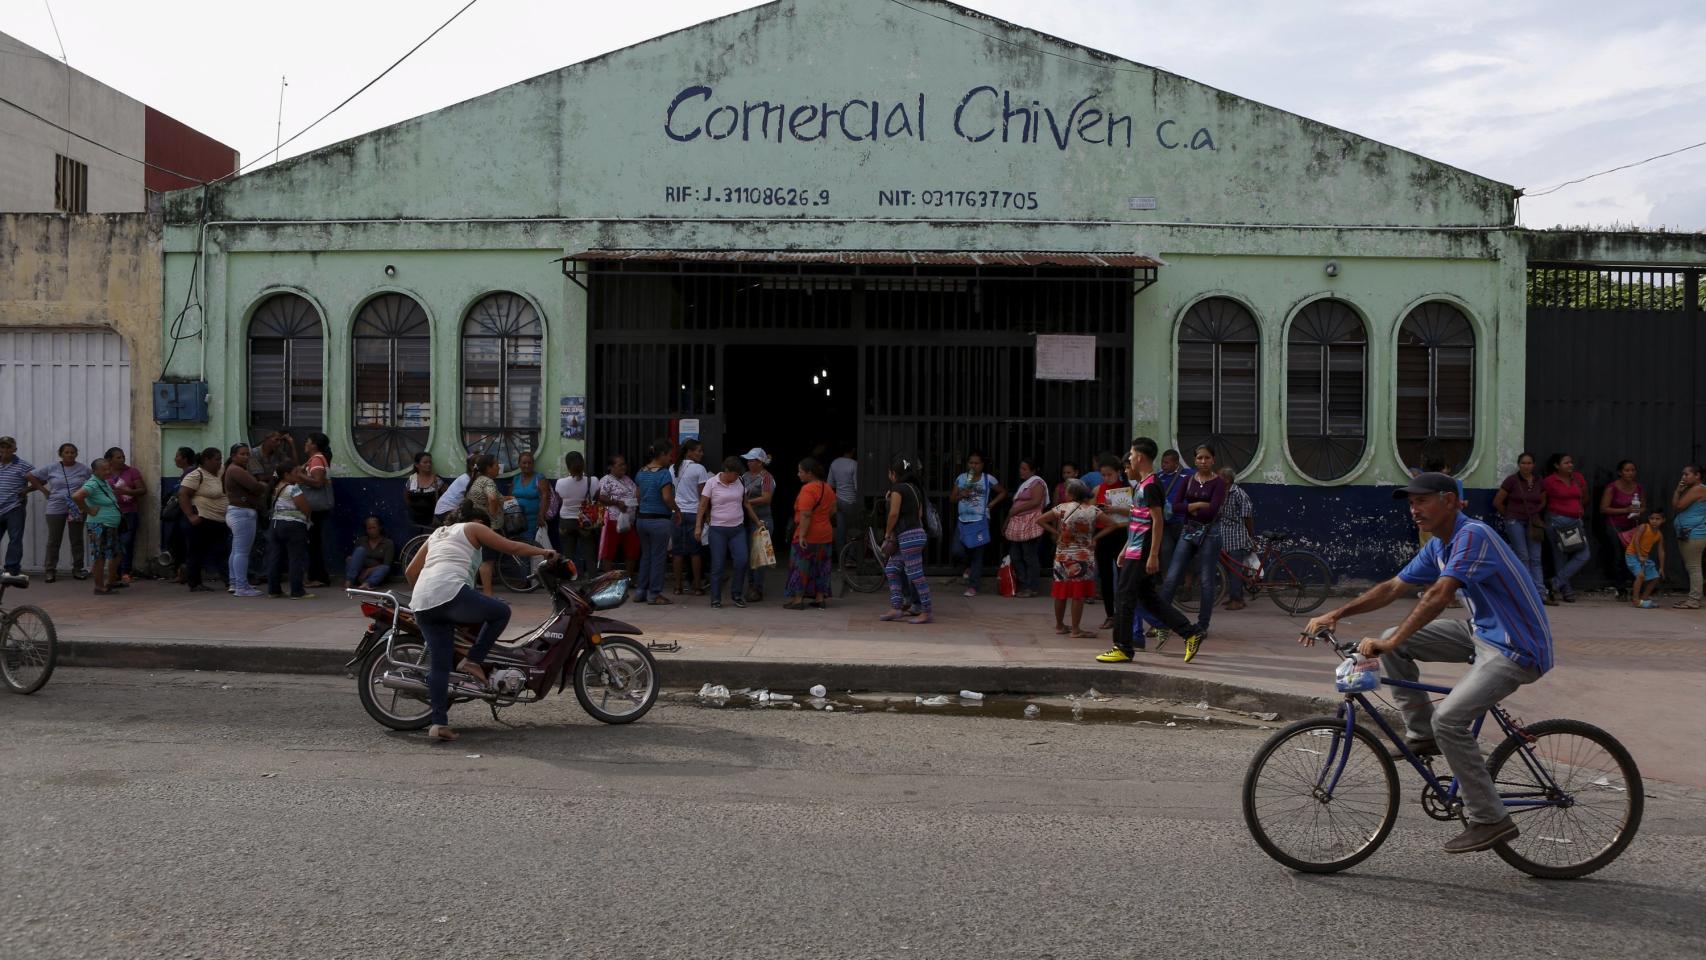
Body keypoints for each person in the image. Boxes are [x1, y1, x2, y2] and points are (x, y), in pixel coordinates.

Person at [1301, 472, 1553, 854]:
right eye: (1411, 503)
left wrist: (1390, 642)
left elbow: (1438, 595)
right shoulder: (1439, 544)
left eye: (1422, 501)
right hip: (1482, 633)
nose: (1414, 510)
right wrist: (1337, 612)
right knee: (1397, 644)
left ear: (1449, 500)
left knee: (1449, 719)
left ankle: (1490, 818)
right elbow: (1392, 588)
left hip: (1516, 647)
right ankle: (1422, 736)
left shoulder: (1473, 536)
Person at [404, 501, 555, 742]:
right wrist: (543, 552)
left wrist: (428, 596)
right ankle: (473, 661)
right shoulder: (473, 528)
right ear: (479, 522)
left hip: (423, 602)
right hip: (450, 592)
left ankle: (438, 724)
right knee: (500, 612)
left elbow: (411, 572)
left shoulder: (436, 534)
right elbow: (512, 547)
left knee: (440, 666)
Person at [1096, 437, 1202, 664]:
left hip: (1143, 551)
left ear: (1140, 457)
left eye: (1132, 455)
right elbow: (1137, 521)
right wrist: (1125, 548)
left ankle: (1123, 647)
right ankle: (1190, 632)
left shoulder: (1152, 485)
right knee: (1149, 599)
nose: (1130, 458)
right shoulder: (1142, 485)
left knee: (1124, 597)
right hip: (1134, 548)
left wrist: (1153, 555)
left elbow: (1157, 522)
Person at [1160, 444, 1227, 636]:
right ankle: (1161, 622)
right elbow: (1175, 507)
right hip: (1188, 531)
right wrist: (1197, 505)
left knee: (1206, 580)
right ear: (1194, 460)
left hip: (1210, 534)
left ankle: (1202, 625)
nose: (1203, 461)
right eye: (1199, 458)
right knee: (1172, 577)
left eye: (1207, 458)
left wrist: (1189, 507)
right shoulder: (1188, 480)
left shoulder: (1219, 483)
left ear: (1213, 460)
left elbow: (1212, 511)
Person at [1037, 478, 1097, 637]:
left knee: (1061, 592)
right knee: (1078, 594)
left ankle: (1059, 625)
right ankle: (1076, 629)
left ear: (1070, 494)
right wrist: (1094, 539)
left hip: (1062, 555)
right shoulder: (1092, 510)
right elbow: (1112, 524)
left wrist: (1056, 533)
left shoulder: (1061, 508)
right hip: (1083, 556)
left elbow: (1040, 520)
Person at [697, 456, 758, 609]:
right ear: (727, 471)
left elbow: (745, 503)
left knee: (742, 560)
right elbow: (703, 505)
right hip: (718, 529)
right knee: (718, 564)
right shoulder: (712, 483)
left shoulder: (740, 482)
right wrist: (698, 526)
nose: (737, 477)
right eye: (735, 474)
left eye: (738, 475)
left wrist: (757, 521)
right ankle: (716, 598)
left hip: (737, 528)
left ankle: (736, 594)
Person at [880, 454, 933, 625]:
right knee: (892, 569)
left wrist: (888, 533)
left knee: (916, 575)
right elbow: (919, 514)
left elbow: (894, 513)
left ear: (893, 474)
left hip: (908, 537)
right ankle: (896, 608)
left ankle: (926, 612)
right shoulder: (914, 489)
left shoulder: (897, 489)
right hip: (916, 534)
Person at [27, 442, 92, 582]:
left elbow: (93, 482)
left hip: (75, 507)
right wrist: (44, 491)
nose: (70, 455)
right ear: (61, 454)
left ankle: (78, 569)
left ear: (76, 454)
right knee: (54, 540)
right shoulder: (52, 468)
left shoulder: (83, 469)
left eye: (72, 452)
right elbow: (30, 475)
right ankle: (50, 570)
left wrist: (85, 497)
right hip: (55, 507)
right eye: (67, 452)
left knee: (77, 539)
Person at [949, 451, 1006, 597]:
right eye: (971, 463)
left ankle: (973, 586)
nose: (973, 466)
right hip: (963, 519)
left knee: (977, 554)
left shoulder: (988, 479)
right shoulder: (961, 478)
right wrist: (960, 494)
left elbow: (1002, 492)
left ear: (982, 465)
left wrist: (991, 504)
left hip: (980, 519)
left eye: (977, 463)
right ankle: (967, 566)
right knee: (957, 550)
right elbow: (952, 498)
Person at [1493, 453, 1548, 599]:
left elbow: (1543, 500)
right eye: (1523, 463)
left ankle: (1540, 593)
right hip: (1514, 521)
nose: (1526, 466)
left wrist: (1535, 512)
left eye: (1529, 463)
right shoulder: (1512, 480)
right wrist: (1510, 516)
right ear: (1519, 464)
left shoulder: (1538, 481)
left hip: (1533, 523)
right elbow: (1498, 502)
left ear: (1533, 465)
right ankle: (1527, 591)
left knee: (1536, 558)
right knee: (1523, 556)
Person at [785, 457, 837, 610]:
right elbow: (833, 510)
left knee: (801, 566)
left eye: (801, 471)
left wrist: (801, 535)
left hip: (809, 535)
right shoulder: (827, 488)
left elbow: (806, 515)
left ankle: (798, 600)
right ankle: (820, 599)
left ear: (809, 473)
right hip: (825, 534)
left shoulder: (807, 489)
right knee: (822, 567)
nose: (798, 474)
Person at [1542, 452, 1591, 602]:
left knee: (1584, 554)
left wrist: (1578, 509)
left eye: (1571, 462)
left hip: (1575, 521)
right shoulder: (1549, 481)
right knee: (1560, 557)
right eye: (1566, 463)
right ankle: (1567, 591)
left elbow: (1585, 497)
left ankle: (1555, 582)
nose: (1570, 465)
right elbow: (1543, 501)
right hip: (1557, 521)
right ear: (1557, 466)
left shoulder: (1578, 478)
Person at [178, 448, 229, 593]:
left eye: (220, 459)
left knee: (222, 551)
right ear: (206, 460)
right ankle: (194, 583)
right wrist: (190, 516)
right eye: (216, 459)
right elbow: (182, 495)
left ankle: (229, 580)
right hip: (202, 520)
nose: (219, 462)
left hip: (219, 520)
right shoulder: (196, 475)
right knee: (196, 552)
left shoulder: (221, 472)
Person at [633, 439, 677, 605]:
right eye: (669, 455)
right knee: (658, 557)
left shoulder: (641, 472)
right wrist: (676, 509)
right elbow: (666, 497)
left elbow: (637, 496)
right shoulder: (664, 473)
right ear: (662, 455)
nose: (670, 459)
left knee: (646, 556)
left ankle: (640, 591)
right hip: (659, 521)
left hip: (642, 520)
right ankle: (654, 594)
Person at [70, 457, 122, 595]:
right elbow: (76, 496)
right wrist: (88, 510)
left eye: (108, 468)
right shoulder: (92, 483)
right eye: (104, 469)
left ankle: (111, 581)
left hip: (110, 524)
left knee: (116, 554)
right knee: (100, 556)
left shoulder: (103, 482)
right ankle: (99, 586)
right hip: (100, 525)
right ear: (94, 471)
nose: (108, 471)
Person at [222, 443, 267, 597]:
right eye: (242, 454)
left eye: (247, 454)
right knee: (242, 552)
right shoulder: (236, 470)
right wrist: (262, 485)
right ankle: (241, 586)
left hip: (236, 512)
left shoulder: (234, 469)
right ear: (233, 456)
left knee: (236, 550)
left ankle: (234, 582)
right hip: (242, 514)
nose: (246, 457)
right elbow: (255, 486)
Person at [264, 464, 313, 599]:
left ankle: (274, 590)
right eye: (296, 472)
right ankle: (297, 591)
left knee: (275, 558)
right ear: (286, 474)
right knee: (295, 558)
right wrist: (308, 517)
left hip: (275, 525)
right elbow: (305, 508)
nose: (299, 475)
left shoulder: (275, 487)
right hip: (293, 526)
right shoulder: (293, 489)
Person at [1090, 453, 1127, 630]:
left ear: (1118, 472)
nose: (1107, 478)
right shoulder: (1098, 490)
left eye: (1109, 474)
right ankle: (1110, 615)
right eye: (1103, 475)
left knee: (1122, 577)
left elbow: (1135, 513)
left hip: (1120, 534)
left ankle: (1122, 613)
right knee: (1105, 576)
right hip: (1102, 534)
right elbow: (1089, 512)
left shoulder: (1127, 489)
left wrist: (1114, 508)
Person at [1599, 459, 1645, 601]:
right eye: (1627, 470)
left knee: (1633, 556)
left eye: (1633, 470)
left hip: (1632, 526)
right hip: (1615, 526)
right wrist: (1625, 509)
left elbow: (1643, 506)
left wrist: (1638, 511)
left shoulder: (1638, 488)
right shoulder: (1612, 488)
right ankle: (1620, 588)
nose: (1630, 473)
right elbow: (1603, 508)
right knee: (1618, 556)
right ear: (1620, 472)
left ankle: (1637, 586)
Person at [1004, 457, 1049, 598]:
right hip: (1018, 522)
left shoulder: (1037, 483)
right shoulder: (1025, 485)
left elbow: (1036, 501)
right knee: (1016, 555)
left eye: (1025, 469)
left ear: (1033, 470)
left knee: (1029, 555)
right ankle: (1023, 584)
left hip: (1029, 522)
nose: (1021, 471)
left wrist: (1017, 510)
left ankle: (1032, 587)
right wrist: (1007, 521)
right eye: (1020, 468)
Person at [671, 439, 710, 595]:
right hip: (694, 513)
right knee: (695, 552)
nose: (701, 454)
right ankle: (697, 587)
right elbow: (703, 495)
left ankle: (677, 587)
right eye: (698, 451)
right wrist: (707, 514)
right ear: (689, 452)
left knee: (677, 552)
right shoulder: (699, 469)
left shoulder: (672, 468)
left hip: (677, 513)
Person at [739, 448, 777, 602]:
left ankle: (757, 588)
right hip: (745, 520)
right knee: (748, 555)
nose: (749, 463)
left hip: (762, 520)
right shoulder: (745, 476)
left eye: (752, 460)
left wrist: (746, 502)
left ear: (760, 463)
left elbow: (767, 498)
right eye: (748, 460)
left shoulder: (767, 478)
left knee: (759, 556)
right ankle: (751, 585)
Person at [554, 451, 600, 576]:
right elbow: (596, 498)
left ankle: (567, 584)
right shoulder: (593, 481)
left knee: (568, 556)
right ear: (583, 463)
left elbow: (559, 500)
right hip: (585, 522)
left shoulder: (560, 483)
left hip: (566, 522)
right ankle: (593, 583)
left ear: (567, 466)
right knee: (590, 555)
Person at [105, 447, 145, 585]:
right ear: (109, 460)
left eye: (123, 457)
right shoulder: (104, 473)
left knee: (126, 543)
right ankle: (113, 573)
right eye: (118, 457)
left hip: (128, 512)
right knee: (112, 544)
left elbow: (142, 490)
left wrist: (127, 491)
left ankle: (125, 572)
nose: (122, 460)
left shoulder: (132, 471)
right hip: (109, 514)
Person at [1217, 467, 1255, 610]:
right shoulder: (1221, 493)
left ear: (1227, 480)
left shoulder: (1239, 494)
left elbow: (1248, 517)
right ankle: (1234, 596)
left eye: (1219, 476)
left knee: (1235, 571)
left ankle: (1237, 600)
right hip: (1224, 537)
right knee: (1228, 570)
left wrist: (1250, 536)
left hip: (1236, 538)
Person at [300, 432, 335, 588]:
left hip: (315, 507)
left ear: (313, 444)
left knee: (313, 543)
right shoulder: (317, 459)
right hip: (317, 507)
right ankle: (316, 575)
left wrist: (300, 476)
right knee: (313, 542)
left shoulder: (316, 460)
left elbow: (318, 482)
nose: (305, 443)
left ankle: (319, 576)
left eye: (307, 441)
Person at [596, 454, 641, 574]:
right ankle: (609, 579)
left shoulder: (627, 479)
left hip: (628, 521)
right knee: (609, 551)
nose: (623, 467)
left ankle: (628, 578)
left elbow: (636, 492)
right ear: (611, 467)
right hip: (612, 519)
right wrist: (616, 502)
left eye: (624, 464)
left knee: (633, 548)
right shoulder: (606, 480)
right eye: (620, 465)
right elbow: (601, 497)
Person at [466, 454, 504, 596]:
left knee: (479, 560)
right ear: (488, 468)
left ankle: (475, 593)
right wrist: (493, 515)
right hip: (488, 527)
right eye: (496, 465)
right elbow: (492, 498)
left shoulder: (477, 480)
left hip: (476, 525)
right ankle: (488, 595)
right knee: (487, 562)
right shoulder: (488, 482)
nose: (498, 467)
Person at [1671, 465, 1706, 609]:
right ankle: (1695, 597)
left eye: (1687, 474)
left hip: (1694, 534)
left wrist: (1677, 492)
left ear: (1697, 475)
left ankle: (1694, 600)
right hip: (1691, 533)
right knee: (1693, 566)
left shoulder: (1698, 489)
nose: (1683, 477)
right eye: (1683, 474)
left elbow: (1678, 506)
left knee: (1694, 567)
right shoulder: (1693, 489)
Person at [0, 437, 32, 576]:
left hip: (14, 508)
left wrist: (27, 490)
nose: (5, 450)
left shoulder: (23, 465)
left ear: (15, 449)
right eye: (2, 447)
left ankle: (12, 568)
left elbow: (41, 479)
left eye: (8, 447)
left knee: (15, 539)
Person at [167, 446, 198, 583]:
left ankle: (184, 573)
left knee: (181, 544)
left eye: (178, 456)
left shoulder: (190, 473)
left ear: (185, 459)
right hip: (181, 513)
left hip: (185, 513)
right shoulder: (186, 473)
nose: (175, 459)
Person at [345, 515, 396, 588]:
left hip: (374, 574)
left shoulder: (388, 543)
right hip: (358, 573)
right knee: (358, 551)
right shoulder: (361, 541)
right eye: (369, 528)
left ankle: (367, 584)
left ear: (380, 528)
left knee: (384, 568)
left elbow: (386, 564)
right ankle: (348, 582)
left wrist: (369, 570)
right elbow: (354, 561)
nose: (371, 531)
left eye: (374, 528)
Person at [828, 443, 860, 558]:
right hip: (851, 502)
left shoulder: (834, 463)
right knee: (854, 530)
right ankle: (851, 557)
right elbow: (857, 487)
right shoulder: (854, 464)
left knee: (841, 531)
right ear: (852, 450)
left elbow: (830, 484)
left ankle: (841, 559)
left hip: (839, 501)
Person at [511, 451, 549, 544]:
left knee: (530, 546)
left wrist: (541, 515)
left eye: (529, 463)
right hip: (516, 522)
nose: (527, 465)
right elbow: (510, 497)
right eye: (524, 463)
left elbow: (545, 496)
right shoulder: (516, 479)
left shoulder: (539, 478)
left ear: (533, 464)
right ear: (519, 464)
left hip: (533, 521)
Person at [403, 452, 445, 531]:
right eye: (425, 462)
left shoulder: (437, 480)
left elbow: (446, 499)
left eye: (430, 462)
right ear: (417, 465)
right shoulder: (412, 479)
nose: (428, 464)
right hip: (414, 521)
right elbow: (406, 497)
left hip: (432, 521)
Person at [432, 455, 477, 523]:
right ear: (472, 467)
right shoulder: (466, 480)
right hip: (445, 511)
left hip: (452, 510)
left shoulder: (471, 478)